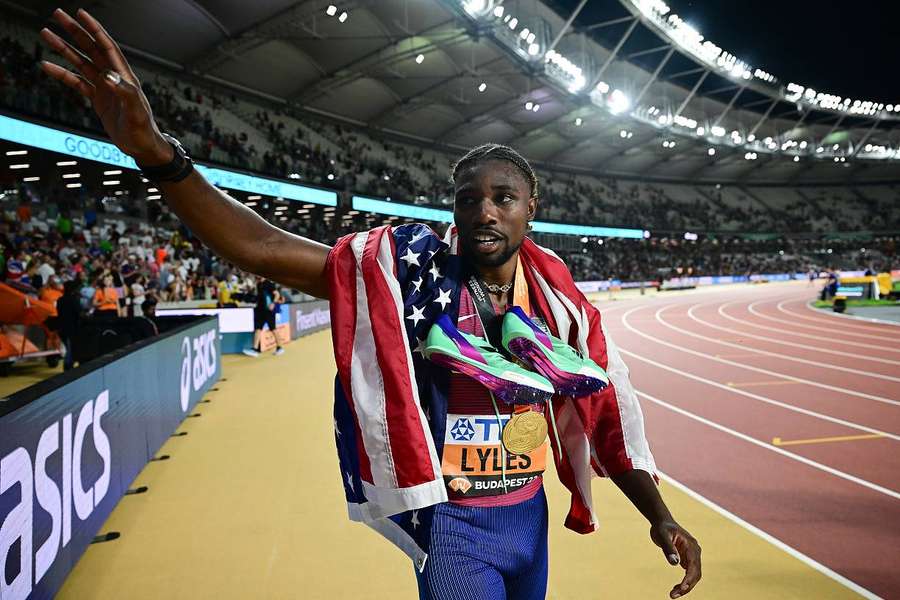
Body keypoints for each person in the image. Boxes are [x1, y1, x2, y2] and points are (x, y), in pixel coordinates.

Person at [38, 11, 701, 599]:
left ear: (534, 208)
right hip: (456, 529)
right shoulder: (410, 275)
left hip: (528, 521)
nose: (484, 211)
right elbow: (262, 247)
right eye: (468, 198)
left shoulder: (558, 300)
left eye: (504, 196)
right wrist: (159, 153)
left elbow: (603, 410)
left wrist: (659, 515)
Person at [242, 277, 283, 357]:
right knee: (258, 328)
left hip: (269, 311)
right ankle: (255, 349)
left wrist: (273, 303)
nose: (257, 276)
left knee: (273, 329)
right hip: (260, 311)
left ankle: (279, 347)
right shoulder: (258, 284)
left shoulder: (269, 284)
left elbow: (277, 294)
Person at [55, 279, 81, 371]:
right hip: (71, 328)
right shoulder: (74, 300)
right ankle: (67, 368)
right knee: (70, 350)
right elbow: (78, 313)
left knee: (68, 348)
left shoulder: (60, 300)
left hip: (62, 327)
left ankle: (68, 366)